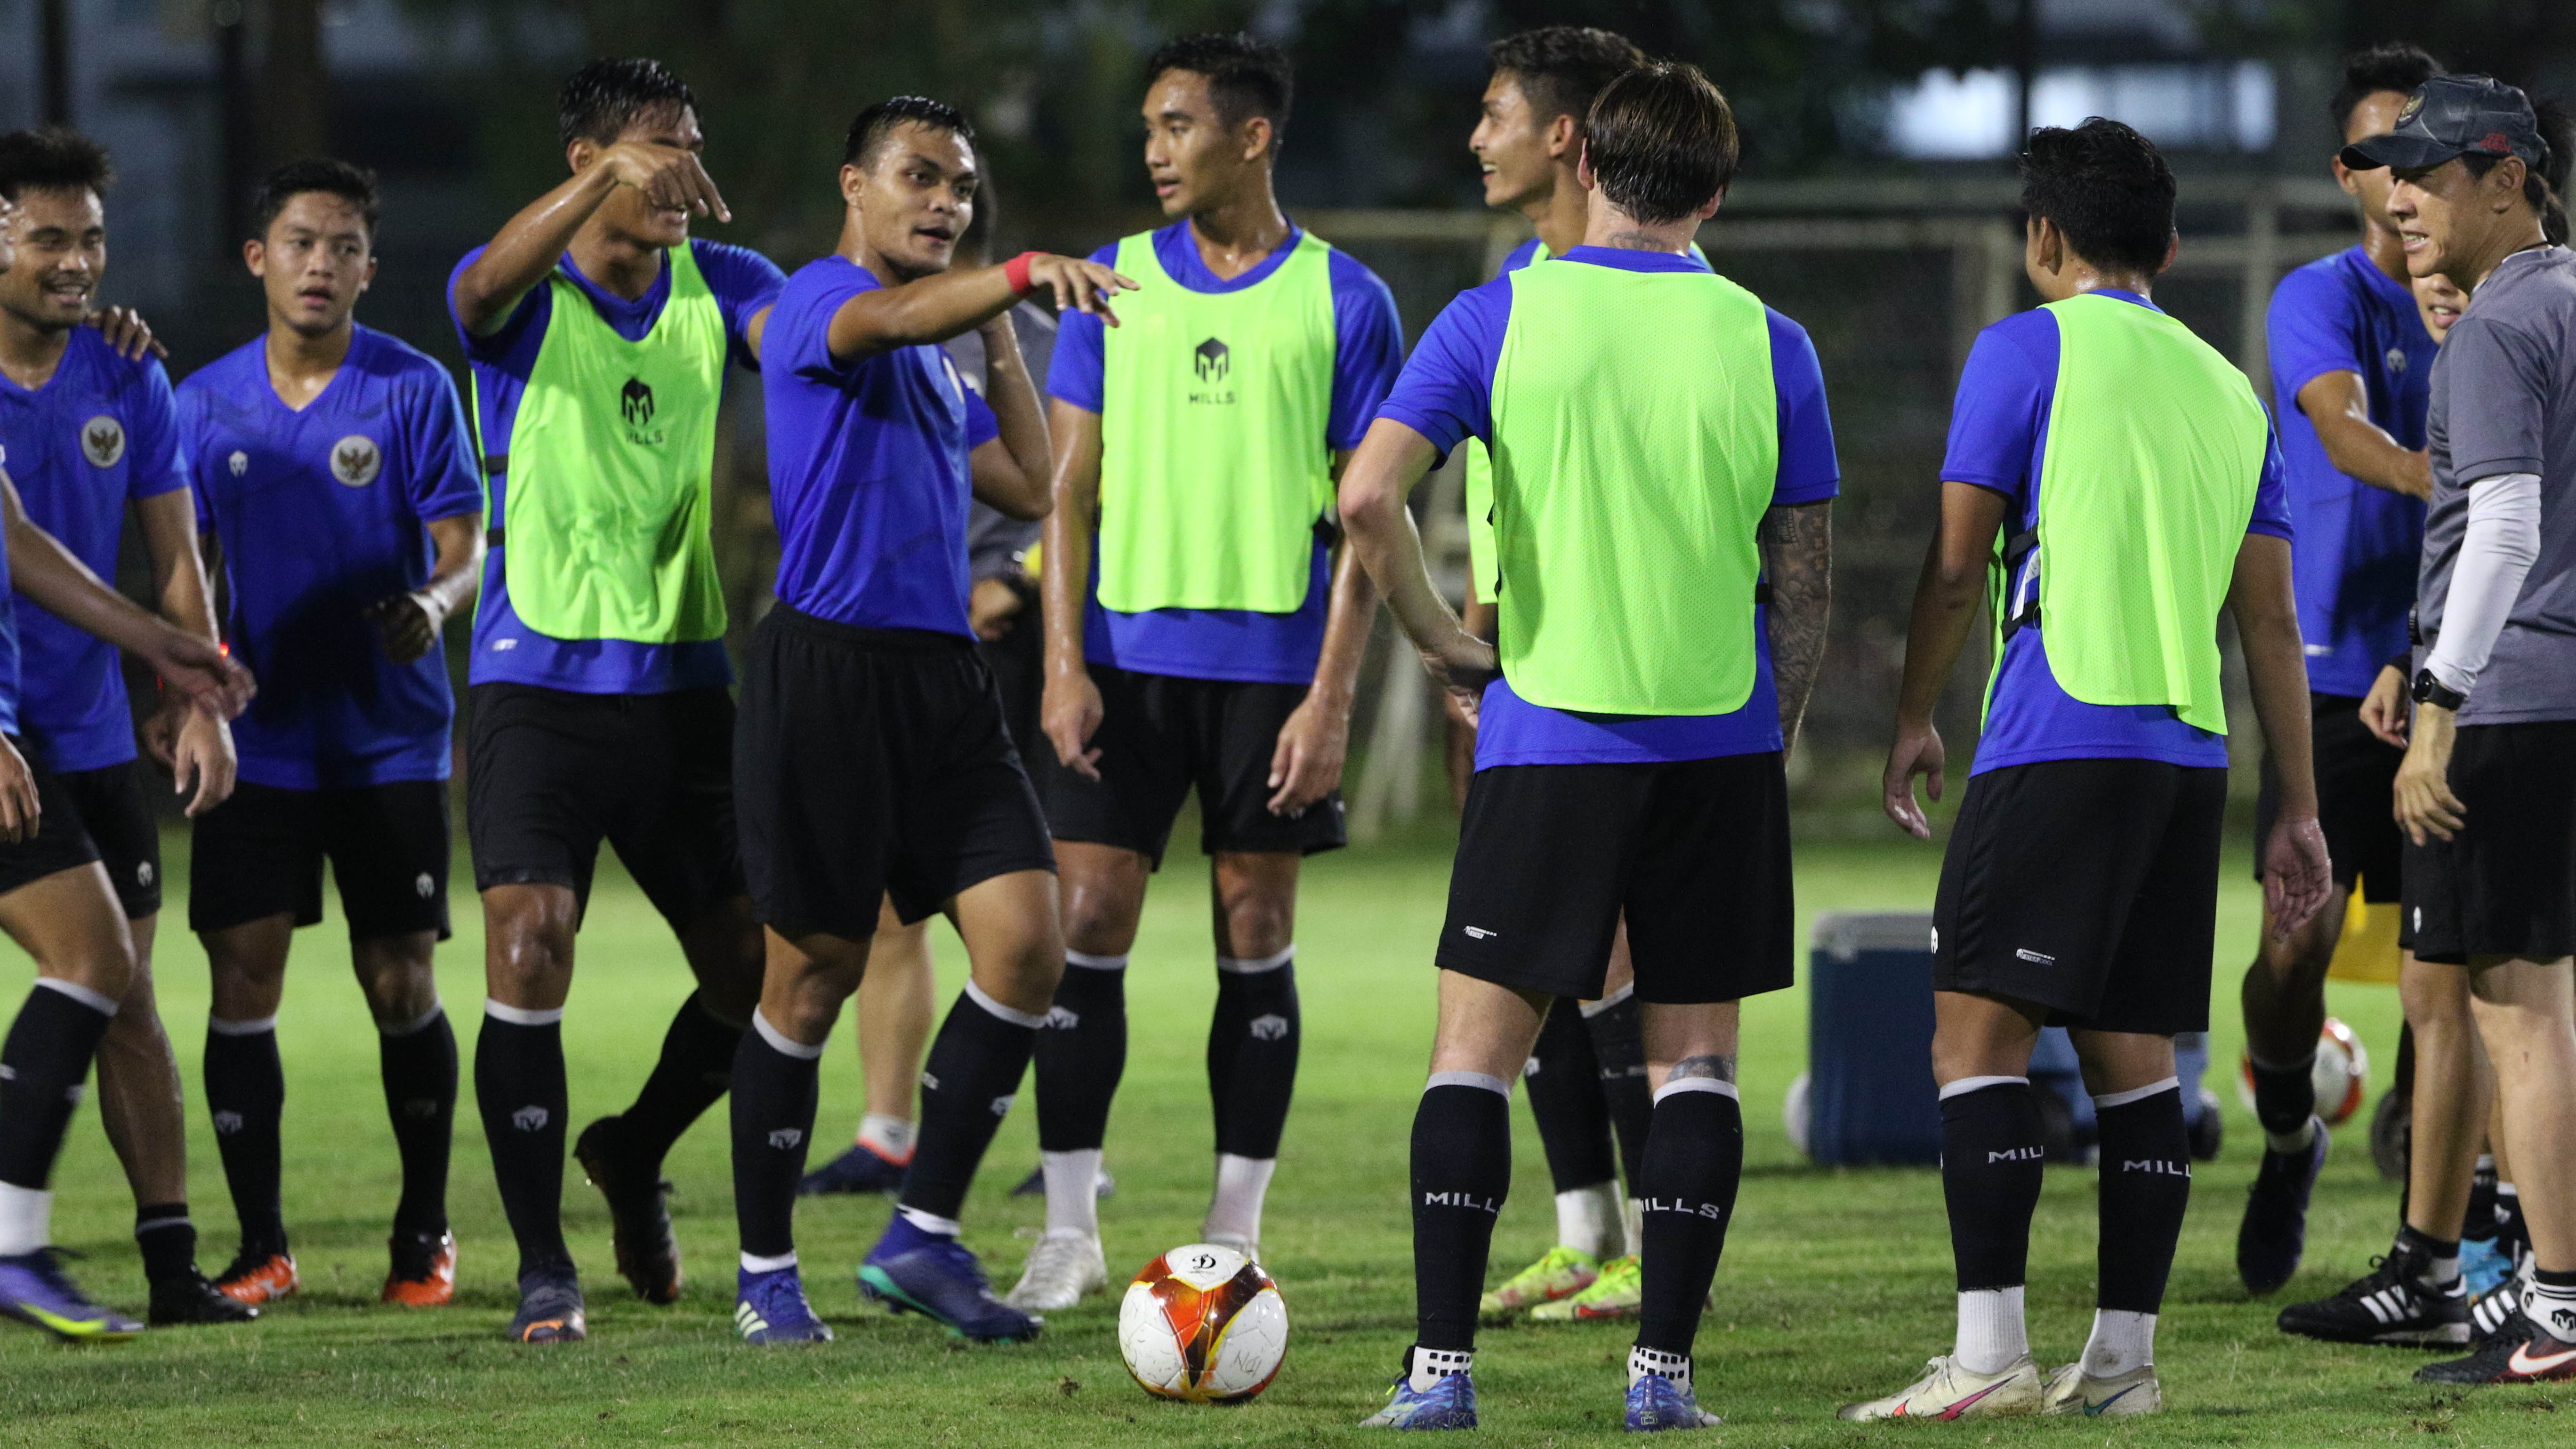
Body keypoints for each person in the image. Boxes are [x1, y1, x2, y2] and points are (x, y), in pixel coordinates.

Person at [1341, 62, 1836, 1431]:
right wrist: (1770, 732)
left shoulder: (1499, 314)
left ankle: (1442, 1374)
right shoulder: (1772, 339)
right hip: (1717, 746)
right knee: (1698, 1065)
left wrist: (1444, 641)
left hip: (1550, 734)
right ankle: (1664, 1378)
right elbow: (1802, 580)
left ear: (1592, 165)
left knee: (1471, 1054)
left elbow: (1368, 493)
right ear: (1717, 194)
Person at [1856, 118, 2331, 1421]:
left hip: (2058, 733)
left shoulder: (2025, 348)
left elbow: (1960, 562)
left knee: (1973, 1037)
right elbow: (2274, 623)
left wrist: (1911, 714)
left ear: (2044, 240)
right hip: (2187, 755)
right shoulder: (2231, 387)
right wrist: (2295, 804)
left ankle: (1993, 1351)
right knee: (2136, 1063)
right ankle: (2122, 1363)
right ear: (2171, 249)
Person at [728, 96, 1130, 1346]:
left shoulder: (939, 343)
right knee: (811, 981)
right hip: (828, 679)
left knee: (1027, 946)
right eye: (919, 177)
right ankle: (764, 1273)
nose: (943, 200)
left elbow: (1030, 480)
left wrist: (1005, 327)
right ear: (856, 183)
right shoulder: (816, 305)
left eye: (959, 185)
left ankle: (925, 1235)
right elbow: (888, 315)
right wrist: (1003, 273)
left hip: (943, 682)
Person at [1024, 31, 1403, 1309]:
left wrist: (1333, 693)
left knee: (1256, 928)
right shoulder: (1114, 284)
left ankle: (1233, 1238)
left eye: (1178, 125)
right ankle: (1068, 1228)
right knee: (1087, 923)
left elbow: (1368, 518)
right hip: (1124, 664)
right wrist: (1060, 662)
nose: (1154, 150)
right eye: (1149, 128)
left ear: (1252, 136)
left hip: (1273, 670)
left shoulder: (1347, 298)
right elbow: (1066, 491)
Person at [446, 56, 781, 1344]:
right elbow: (476, 286)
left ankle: (634, 1149)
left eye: (692, 149)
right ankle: (544, 1266)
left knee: (758, 974)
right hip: (536, 685)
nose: (687, 176)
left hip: (688, 686)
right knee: (529, 946)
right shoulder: (524, 299)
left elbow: (804, 342)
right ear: (594, 164)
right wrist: (597, 181)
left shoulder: (724, 286)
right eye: (660, 153)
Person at [178, 159, 484, 1310]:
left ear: (368, 267)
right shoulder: (199, 405)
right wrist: (189, 683)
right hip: (261, 740)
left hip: (389, 739)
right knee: (240, 978)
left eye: (343, 246)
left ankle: (423, 1234)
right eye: (300, 242)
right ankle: (262, 1246)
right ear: (259, 258)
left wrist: (435, 606)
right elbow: (184, 566)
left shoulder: (411, 390)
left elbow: (464, 544)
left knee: (399, 978)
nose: (321, 264)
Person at [2347, 72, 2576, 1387]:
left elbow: (2500, 526)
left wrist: (2437, 706)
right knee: (2543, 1006)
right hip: (2560, 696)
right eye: (2396, 174)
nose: (2402, 198)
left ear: (2507, 180)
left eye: (2430, 174)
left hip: (2512, 698)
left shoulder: (2500, 325)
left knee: (2517, 1013)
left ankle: (2558, 1298)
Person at [0, 127, 249, 1327]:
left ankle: (168, 1266)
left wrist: (190, 696)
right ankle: (9, 1244)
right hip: (5, 734)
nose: (76, 264)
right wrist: (168, 651)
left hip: (88, 734)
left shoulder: (126, 373)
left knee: (123, 995)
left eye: (89, 239)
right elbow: (16, 551)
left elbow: (173, 549)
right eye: (47, 238)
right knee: (88, 967)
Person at [798, 160, 1074, 1203]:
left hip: (997, 644)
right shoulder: (871, 332)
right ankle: (887, 1129)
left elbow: (1080, 490)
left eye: (949, 209)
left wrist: (1013, 583)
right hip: (892, 651)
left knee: (1028, 911)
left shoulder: (1035, 341)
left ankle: (1061, 1149)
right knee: (882, 910)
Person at [1454, 23, 1669, 1327]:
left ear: (1566, 139)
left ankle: (1649, 1232)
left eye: (1495, 113)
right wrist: (1475, 631)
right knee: (1533, 951)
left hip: (1623, 678)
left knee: (1626, 958)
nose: (1475, 138)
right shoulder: (1515, 286)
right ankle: (1581, 1227)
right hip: (1517, 657)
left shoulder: (1648, 290)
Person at [2237, 41, 2450, 1307]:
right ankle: (2283, 1135)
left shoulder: (2488, 294)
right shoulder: (2320, 296)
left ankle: (2440, 1194)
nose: (2397, 170)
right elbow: (2334, 420)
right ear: (2345, 172)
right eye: (2375, 149)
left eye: (2415, 144)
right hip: (2328, 669)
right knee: (2297, 937)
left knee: (2460, 947)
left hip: (2450, 669)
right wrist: (2444, 470)